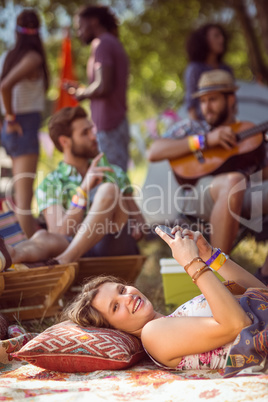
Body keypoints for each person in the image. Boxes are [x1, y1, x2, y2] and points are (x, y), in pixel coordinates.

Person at [62, 226, 268, 377]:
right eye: (115, 307)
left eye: (122, 290)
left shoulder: (173, 319)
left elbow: (260, 293)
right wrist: (190, 262)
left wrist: (209, 254)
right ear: (114, 329)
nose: (128, 297)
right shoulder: (154, 335)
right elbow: (237, 325)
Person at [148, 69, 268, 260]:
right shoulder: (192, 128)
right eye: (202, 101)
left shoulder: (250, 132)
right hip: (197, 196)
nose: (206, 107)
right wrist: (204, 141)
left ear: (230, 100)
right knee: (233, 181)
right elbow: (154, 151)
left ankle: (265, 273)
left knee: (236, 183)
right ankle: (217, 274)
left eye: (212, 100)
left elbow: (262, 174)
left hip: (244, 196)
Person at [35, 105, 144, 262]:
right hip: (80, 257)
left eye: (91, 130)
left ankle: (67, 259)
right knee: (45, 237)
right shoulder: (50, 183)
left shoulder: (114, 172)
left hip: (115, 248)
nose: (94, 137)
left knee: (109, 189)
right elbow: (59, 235)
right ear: (65, 141)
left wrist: (137, 226)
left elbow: (140, 221)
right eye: (84, 133)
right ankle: (67, 257)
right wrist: (84, 190)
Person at [0, 9, 49, 237]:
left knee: (21, 198)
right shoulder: (32, 57)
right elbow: (5, 86)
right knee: (24, 200)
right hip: (22, 125)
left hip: (14, 125)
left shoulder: (9, 57)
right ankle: (29, 251)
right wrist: (11, 118)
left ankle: (24, 249)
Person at [65, 5, 130, 171]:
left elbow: (103, 86)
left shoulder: (102, 44)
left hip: (109, 125)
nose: (79, 33)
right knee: (115, 179)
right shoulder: (110, 43)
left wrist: (81, 93)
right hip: (115, 121)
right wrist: (84, 90)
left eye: (80, 27)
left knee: (112, 179)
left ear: (93, 21)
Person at [184, 23, 233, 120]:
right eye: (216, 36)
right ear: (204, 40)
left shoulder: (226, 69)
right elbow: (191, 105)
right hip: (205, 125)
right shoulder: (195, 69)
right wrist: (203, 133)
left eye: (222, 36)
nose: (221, 39)